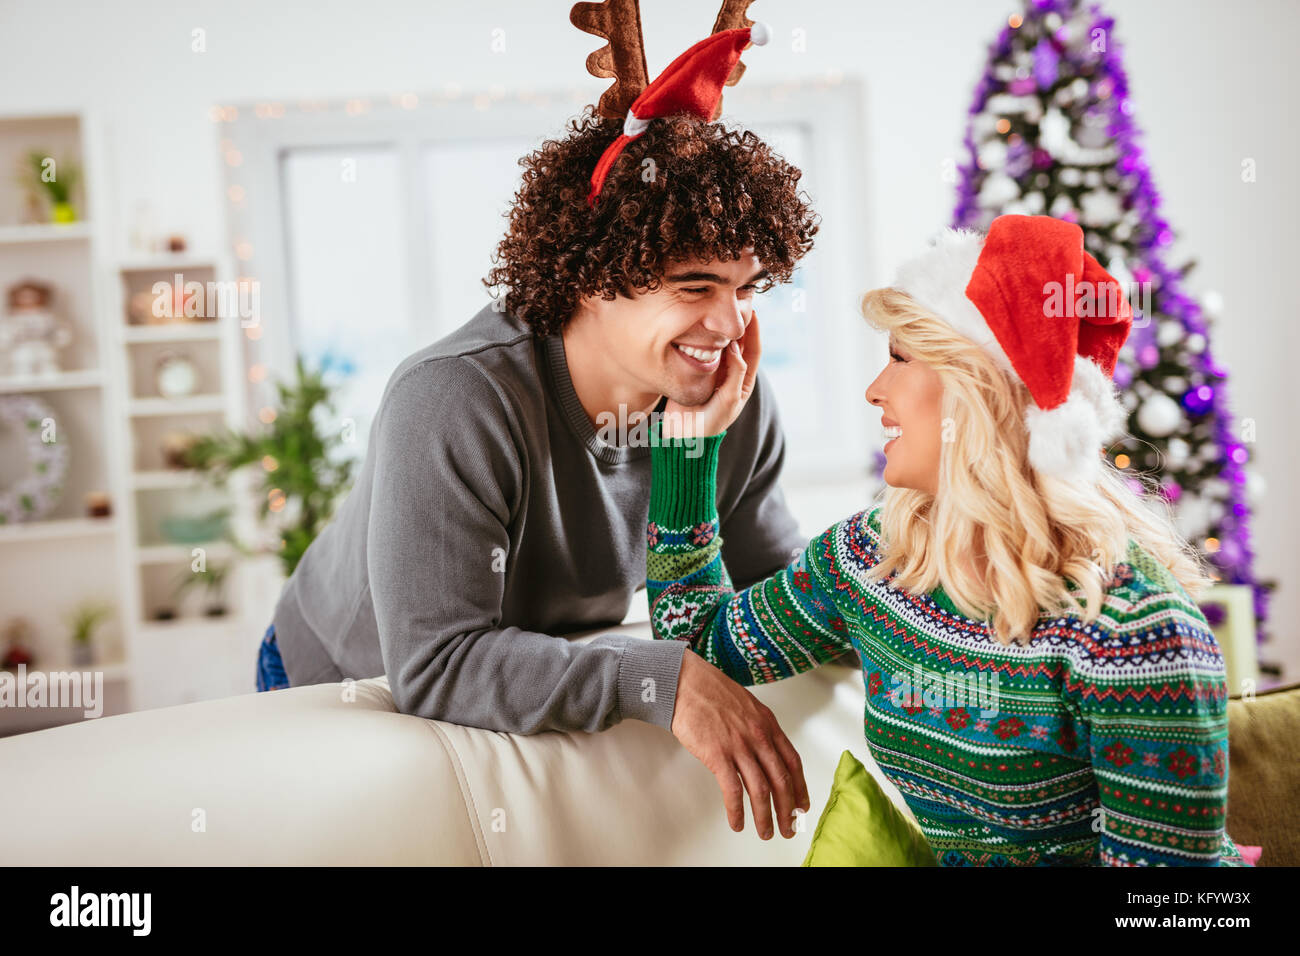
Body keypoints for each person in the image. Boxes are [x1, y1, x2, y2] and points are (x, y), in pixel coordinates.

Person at [258, 21, 822, 827]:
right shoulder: (454, 399)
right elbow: (438, 663)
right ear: (594, 276)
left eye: (749, 287)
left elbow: (775, 583)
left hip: (529, 650)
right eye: (695, 286)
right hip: (349, 678)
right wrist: (660, 677)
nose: (731, 324)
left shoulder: (725, 394)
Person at [645, 213, 1252, 865]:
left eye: (900, 359)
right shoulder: (873, 559)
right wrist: (688, 447)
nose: (875, 390)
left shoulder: (1136, 629)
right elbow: (698, 641)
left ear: (976, 392)